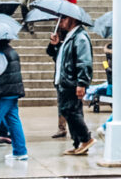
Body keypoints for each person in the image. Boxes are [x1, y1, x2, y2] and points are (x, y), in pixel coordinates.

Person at [47, 15, 95, 155]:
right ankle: (78, 143)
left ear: (72, 20)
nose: (60, 22)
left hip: (71, 82)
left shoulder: (80, 38)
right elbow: (59, 58)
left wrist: (82, 83)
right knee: (69, 111)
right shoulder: (70, 37)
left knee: (71, 111)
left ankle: (86, 139)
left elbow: (84, 62)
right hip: (64, 81)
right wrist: (54, 45)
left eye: (63, 19)